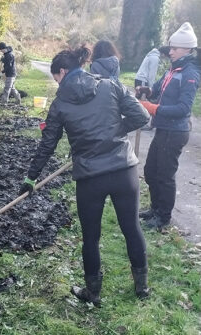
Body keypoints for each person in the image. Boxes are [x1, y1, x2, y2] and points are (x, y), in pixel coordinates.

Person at [19, 46, 150, 305]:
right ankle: (142, 288)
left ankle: (93, 293)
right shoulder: (110, 85)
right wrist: (114, 133)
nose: (57, 83)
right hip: (124, 171)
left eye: (56, 77)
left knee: (91, 237)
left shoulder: (59, 105)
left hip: (91, 178)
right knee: (132, 229)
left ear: (63, 71)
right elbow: (142, 116)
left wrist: (30, 178)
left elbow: (48, 144)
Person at [139, 22, 200, 230]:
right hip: (163, 129)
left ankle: (163, 217)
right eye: (171, 48)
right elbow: (157, 91)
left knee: (164, 176)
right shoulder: (172, 70)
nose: (170, 52)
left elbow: (183, 108)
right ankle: (155, 209)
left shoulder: (190, 73)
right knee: (150, 171)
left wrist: (153, 108)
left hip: (176, 132)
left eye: (174, 48)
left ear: (188, 50)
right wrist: (146, 90)